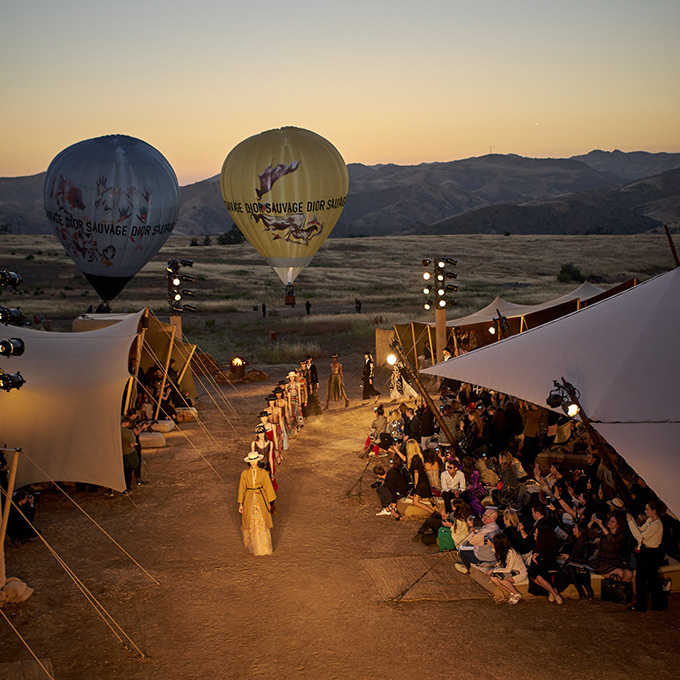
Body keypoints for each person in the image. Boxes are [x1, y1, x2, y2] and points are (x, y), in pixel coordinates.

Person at [627, 500, 666, 612]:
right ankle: (657, 604)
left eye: (647, 509)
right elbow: (640, 531)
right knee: (650, 579)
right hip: (646, 551)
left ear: (654, 511)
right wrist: (633, 522)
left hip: (651, 553)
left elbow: (640, 536)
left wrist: (631, 522)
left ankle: (643, 605)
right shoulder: (650, 520)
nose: (645, 511)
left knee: (643, 580)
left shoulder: (656, 525)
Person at [238, 451, 277, 556]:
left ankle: (264, 548)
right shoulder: (244, 474)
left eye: (255, 461)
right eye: (252, 461)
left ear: (258, 461)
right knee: (251, 521)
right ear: (249, 462)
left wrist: (270, 502)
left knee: (262, 521)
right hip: (249, 499)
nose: (253, 463)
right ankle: (255, 546)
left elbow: (268, 487)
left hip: (261, 498)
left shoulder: (263, 473)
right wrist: (240, 503)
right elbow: (242, 488)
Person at [455, 507, 500, 574]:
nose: (482, 516)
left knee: (461, 549)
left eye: (484, 515)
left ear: (489, 518)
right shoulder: (496, 527)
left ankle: (467, 569)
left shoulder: (485, 532)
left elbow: (471, 541)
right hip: (492, 555)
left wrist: (470, 527)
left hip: (484, 557)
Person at [486, 533, 528, 605]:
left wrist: (493, 570)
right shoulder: (505, 550)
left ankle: (517, 594)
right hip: (511, 572)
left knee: (501, 578)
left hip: (519, 573)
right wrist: (492, 546)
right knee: (493, 578)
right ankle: (511, 592)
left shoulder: (511, 553)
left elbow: (508, 569)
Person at [528, 525, 563, 604]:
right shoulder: (537, 548)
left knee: (539, 577)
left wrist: (536, 562)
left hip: (550, 574)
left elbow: (547, 566)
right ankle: (553, 592)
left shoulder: (547, 550)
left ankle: (554, 593)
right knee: (535, 576)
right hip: (541, 573)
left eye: (536, 533)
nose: (534, 534)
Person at [405, 439, 435, 515]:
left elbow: (416, 473)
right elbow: (406, 460)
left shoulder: (415, 458)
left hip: (420, 482)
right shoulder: (417, 457)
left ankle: (433, 512)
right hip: (423, 480)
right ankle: (429, 500)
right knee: (413, 497)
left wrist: (416, 485)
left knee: (415, 502)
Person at [252, 424, 277, 491]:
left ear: (265, 433)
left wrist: (272, 473)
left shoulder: (270, 443)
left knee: (266, 487)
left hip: (266, 467)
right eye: (259, 433)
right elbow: (252, 459)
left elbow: (270, 459)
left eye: (262, 433)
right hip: (257, 466)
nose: (261, 435)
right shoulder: (254, 443)